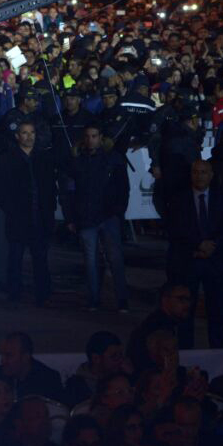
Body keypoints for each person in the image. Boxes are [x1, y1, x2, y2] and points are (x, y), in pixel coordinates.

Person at [161, 158, 223, 348]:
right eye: (195, 172)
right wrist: (199, 245)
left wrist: (213, 245)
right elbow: (176, 228)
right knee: (186, 312)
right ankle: (185, 353)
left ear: (211, 175)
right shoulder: (179, 199)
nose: (199, 176)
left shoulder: (222, 198)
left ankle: (218, 352)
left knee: (216, 311)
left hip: (214, 262)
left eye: (203, 172)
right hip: (188, 261)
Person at [62, 123, 130, 311]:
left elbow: (123, 188)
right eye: (88, 136)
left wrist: (119, 211)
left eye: (94, 136)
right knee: (91, 260)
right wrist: (70, 218)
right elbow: (68, 191)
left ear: (101, 137)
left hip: (108, 215)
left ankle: (122, 300)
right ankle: (94, 300)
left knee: (115, 259)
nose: (91, 140)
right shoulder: (76, 161)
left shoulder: (113, 159)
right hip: (86, 217)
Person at [0, 117, 58, 305]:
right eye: (25, 133)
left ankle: (42, 296)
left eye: (32, 133)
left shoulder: (43, 157)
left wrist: (50, 210)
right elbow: (1, 189)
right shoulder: (7, 159)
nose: (29, 137)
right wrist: (11, 210)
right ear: (17, 136)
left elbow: (50, 187)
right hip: (18, 218)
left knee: (40, 259)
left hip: (40, 216)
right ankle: (14, 295)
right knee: (15, 259)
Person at [0, 332, 65, 401]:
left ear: (25, 357)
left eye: (9, 355)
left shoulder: (47, 379)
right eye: (2, 355)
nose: (3, 360)